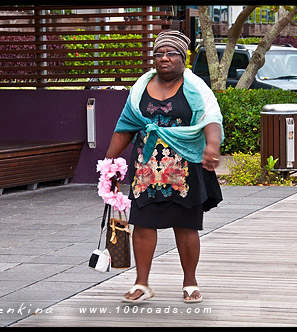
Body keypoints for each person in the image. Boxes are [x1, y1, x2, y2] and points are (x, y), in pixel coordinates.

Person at [105, 30, 224, 304]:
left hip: (184, 168)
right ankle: (142, 283)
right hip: (146, 169)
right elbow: (125, 126)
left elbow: (211, 118)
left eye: (171, 53)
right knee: (143, 224)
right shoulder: (139, 89)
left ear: (183, 58)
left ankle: (190, 282)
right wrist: (109, 163)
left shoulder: (195, 88)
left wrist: (212, 146)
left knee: (186, 226)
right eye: (159, 54)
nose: (164, 58)